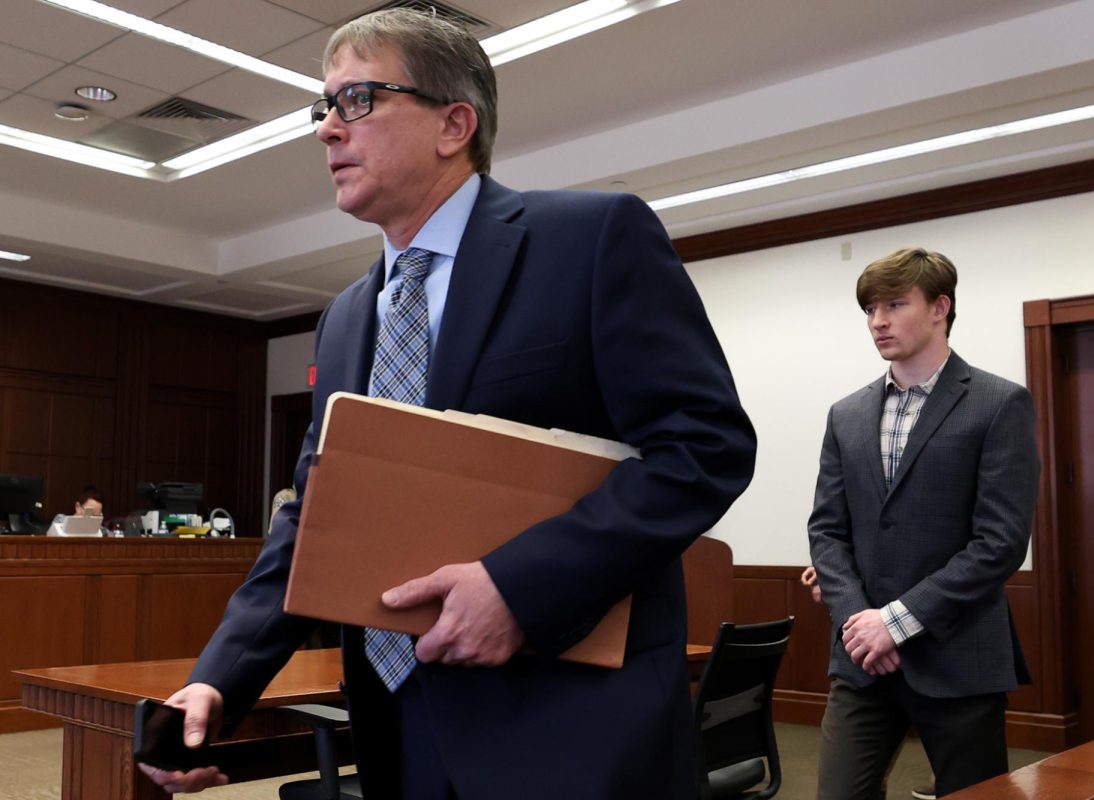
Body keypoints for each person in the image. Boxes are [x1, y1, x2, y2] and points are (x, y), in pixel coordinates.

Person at [139, 8, 755, 800]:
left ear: (453, 123)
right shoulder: (350, 315)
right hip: (400, 729)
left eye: (356, 100)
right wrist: (220, 680)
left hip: (571, 731)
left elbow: (705, 448)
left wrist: (518, 588)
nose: (328, 129)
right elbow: (317, 519)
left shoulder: (592, 239)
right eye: (322, 107)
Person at [808, 247, 1039, 799]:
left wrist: (898, 620)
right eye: (869, 309)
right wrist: (860, 621)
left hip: (957, 655)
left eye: (894, 304)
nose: (877, 321)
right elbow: (827, 531)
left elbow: (999, 543)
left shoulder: (998, 403)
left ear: (940, 307)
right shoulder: (847, 414)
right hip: (863, 660)